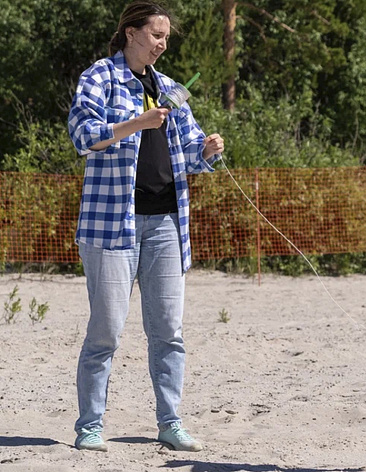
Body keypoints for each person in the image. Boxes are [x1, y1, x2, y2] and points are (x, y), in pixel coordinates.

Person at [67, 0, 224, 451]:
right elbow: (82, 135)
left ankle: (170, 422)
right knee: (106, 331)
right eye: (157, 35)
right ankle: (89, 426)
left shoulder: (171, 86)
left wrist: (208, 150)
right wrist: (137, 122)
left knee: (169, 331)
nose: (162, 44)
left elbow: (191, 150)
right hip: (110, 225)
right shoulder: (100, 76)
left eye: (167, 37)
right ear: (131, 32)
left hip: (165, 226)